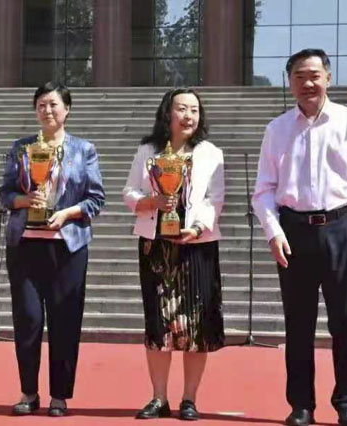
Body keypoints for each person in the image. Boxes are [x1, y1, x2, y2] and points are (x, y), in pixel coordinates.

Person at [252, 48, 347, 426]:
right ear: (289, 82)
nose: (307, 83)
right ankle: (301, 405)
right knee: (298, 324)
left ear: (328, 77)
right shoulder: (277, 129)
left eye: (314, 75)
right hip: (294, 232)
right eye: (299, 76)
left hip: (342, 227)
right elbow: (264, 190)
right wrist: (273, 232)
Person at [0, 82, 105, 417]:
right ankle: (28, 392)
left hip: (67, 247)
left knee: (65, 321)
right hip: (25, 245)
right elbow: (5, 193)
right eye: (42, 104)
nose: (47, 110)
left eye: (54, 104)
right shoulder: (20, 148)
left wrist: (67, 213)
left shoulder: (83, 149)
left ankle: (59, 395)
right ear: (35, 109)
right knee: (28, 320)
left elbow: (96, 199)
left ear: (67, 109)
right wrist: (25, 200)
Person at [123, 88, 225, 421]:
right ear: (168, 112)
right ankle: (158, 397)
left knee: (196, 324)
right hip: (155, 244)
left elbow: (214, 198)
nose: (188, 116)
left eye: (194, 110)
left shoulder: (210, 153)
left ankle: (189, 399)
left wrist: (197, 227)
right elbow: (129, 192)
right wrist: (150, 202)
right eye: (182, 108)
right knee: (158, 323)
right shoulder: (147, 151)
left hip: (197, 245)